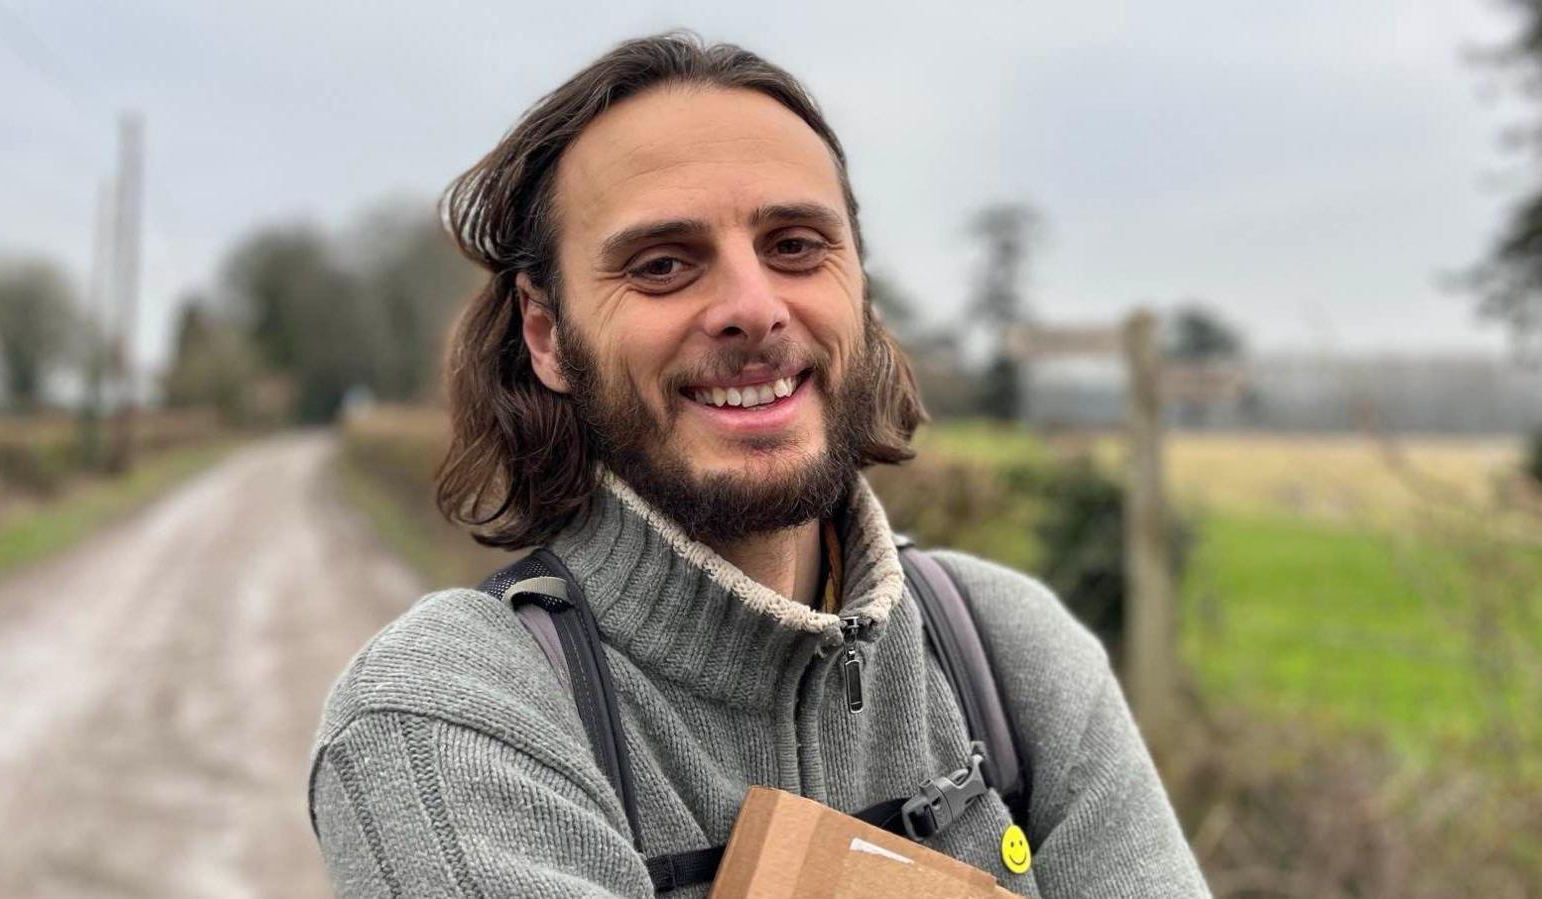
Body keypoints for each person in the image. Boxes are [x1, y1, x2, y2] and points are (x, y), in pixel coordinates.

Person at [308, 32, 1210, 899]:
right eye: (663, 264)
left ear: (860, 284)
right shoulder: (451, 715)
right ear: (546, 335)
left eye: (795, 246)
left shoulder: (1014, 659)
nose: (753, 306)